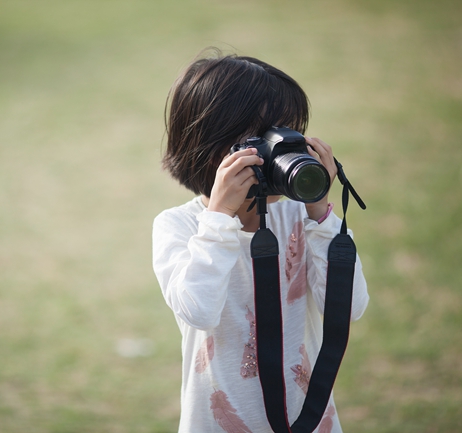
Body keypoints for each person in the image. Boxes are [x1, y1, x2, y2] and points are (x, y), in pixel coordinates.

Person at [152, 50, 369, 433]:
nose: (279, 149)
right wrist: (219, 218)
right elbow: (199, 311)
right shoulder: (181, 227)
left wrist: (320, 215)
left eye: (289, 132)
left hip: (309, 420)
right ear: (209, 145)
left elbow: (349, 306)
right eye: (263, 138)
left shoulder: (302, 218)